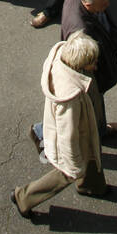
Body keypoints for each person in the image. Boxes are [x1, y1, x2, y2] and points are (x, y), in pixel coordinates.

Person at [12, 33, 110, 219]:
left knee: (92, 158)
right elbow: (68, 134)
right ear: (81, 64)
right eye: (93, 62)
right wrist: (73, 165)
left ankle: (92, 186)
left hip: (86, 131)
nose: (96, 65)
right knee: (68, 172)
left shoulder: (64, 59)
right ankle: (24, 197)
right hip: (80, 137)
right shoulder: (71, 97)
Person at [61, 0, 117, 139]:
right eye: (103, 6)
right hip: (90, 76)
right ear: (88, 5)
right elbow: (82, 63)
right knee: (94, 104)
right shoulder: (81, 33)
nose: (107, 7)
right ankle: (100, 132)